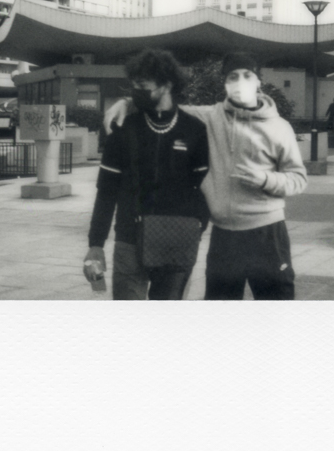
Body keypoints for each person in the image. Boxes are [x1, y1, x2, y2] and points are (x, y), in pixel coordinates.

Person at [105, 52, 307, 300]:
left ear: (258, 82)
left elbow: (298, 178)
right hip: (224, 237)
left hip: (267, 232)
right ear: (224, 83)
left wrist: (266, 179)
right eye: (232, 76)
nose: (240, 81)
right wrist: (127, 102)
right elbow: (166, 105)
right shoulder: (208, 117)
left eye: (247, 75)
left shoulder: (279, 127)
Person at [84, 49, 210, 300]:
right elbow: (106, 190)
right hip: (129, 241)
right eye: (133, 86)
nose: (135, 92)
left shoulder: (194, 130)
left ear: (166, 85)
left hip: (177, 240)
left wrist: (196, 227)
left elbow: (205, 187)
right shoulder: (123, 128)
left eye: (142, 86)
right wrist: (95, 245)